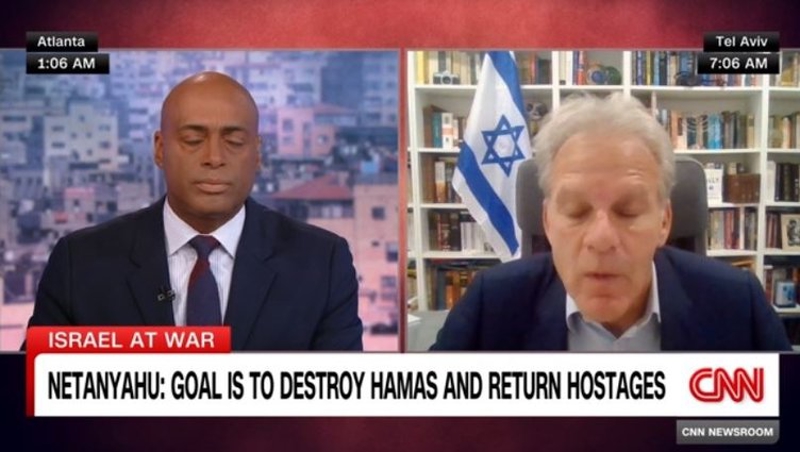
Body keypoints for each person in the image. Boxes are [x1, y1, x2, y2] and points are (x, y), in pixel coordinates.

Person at [26, 72, 363, 350]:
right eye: (192, 140)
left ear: (258, 153)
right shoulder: (80, 263)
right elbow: (34, 395)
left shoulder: (322, 263)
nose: (214, 158)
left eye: (234, 142)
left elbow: (339, 405)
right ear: (160, 149)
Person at [432, 93, 791, 351]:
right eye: (576, 212)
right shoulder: (492, 306)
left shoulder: (738, 306)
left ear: (664, 221)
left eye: (629, 211)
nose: (601, 238)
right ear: (547, 222)